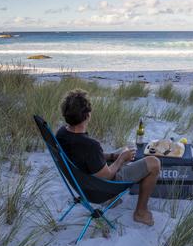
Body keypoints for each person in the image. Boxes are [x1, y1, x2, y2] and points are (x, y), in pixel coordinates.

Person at [55, 89, 161, 226]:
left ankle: (114, 200)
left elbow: (85, 157)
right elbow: (107, 176)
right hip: (99, 190)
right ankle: (140, 212)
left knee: (124, 149)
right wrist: (121, 158)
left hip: (82, 184)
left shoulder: (62, 133)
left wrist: (113, 156)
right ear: (87, 115)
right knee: (154, 163)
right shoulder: (90, 145)